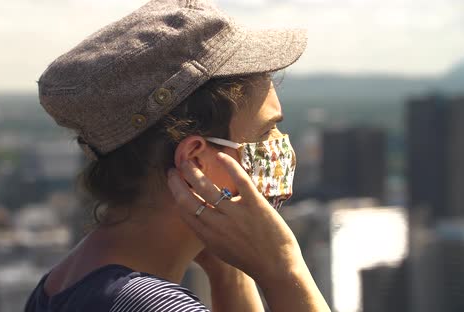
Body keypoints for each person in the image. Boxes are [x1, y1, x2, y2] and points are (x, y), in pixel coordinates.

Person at [24, 0, 331, 311]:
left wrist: (228, 270)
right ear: (196, 160)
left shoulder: (63, 285)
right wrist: (282, 267)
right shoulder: (150, 305)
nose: (281, 144)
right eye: (266, 132)